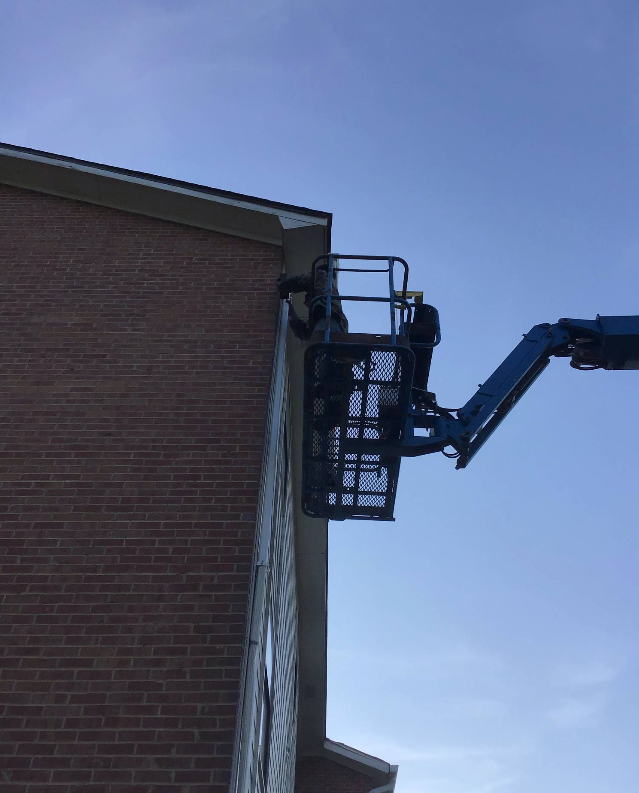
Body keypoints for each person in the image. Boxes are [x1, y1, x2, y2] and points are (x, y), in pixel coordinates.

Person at [276, 261, 348, 341]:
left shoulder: (322, 275)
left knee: (322, 345)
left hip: (328, 325)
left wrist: (281, 284)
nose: (305, 303)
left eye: (306, 298)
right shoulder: (332, 305)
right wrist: (292, 313)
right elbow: (305, 332)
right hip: (337, 332)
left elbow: (300, 281)